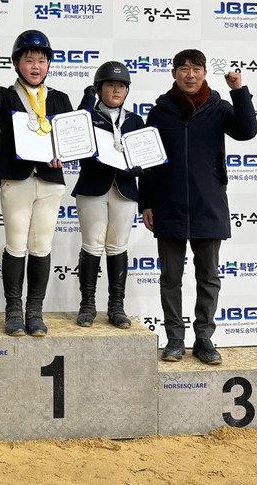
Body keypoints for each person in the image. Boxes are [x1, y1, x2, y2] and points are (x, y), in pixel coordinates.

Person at [139, 49, 257, 365]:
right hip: (169, 205)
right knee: (170, 278)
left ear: (204, 73)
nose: (190, 75)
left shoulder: (218, 107)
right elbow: (147, 161)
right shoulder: (160, 112)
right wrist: (146, 202)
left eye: (196, 69)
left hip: (209, 205)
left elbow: (247, 131)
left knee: (208, 277)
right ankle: (174, 340)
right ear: (173, 73)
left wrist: (238, 91)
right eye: (183, 69)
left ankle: (204, 339)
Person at [0, 31, 72, 337]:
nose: (35, 66)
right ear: (17, 63)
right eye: (29, 60)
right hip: (17, 180)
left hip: (50, 182)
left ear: (48, 64)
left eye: (41, 60)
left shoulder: (59, 98)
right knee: (16, 245)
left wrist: (62, 155)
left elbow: (68, 138)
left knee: (41, 246)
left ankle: (35, 312)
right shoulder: (6, 95)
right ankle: (13, 312)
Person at [72, 61, 144, 328]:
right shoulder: (87, 116)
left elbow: (144, 152)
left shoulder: (135, 120)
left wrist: (142, 166)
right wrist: (86, 101)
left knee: (118, 246)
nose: (116, 90)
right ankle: (87, 305)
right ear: (98, 88)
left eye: (121, 86)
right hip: (93, 187)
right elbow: (73, 135)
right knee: (92, 245)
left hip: (124, 189)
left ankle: (116, 306)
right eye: (110, 85)